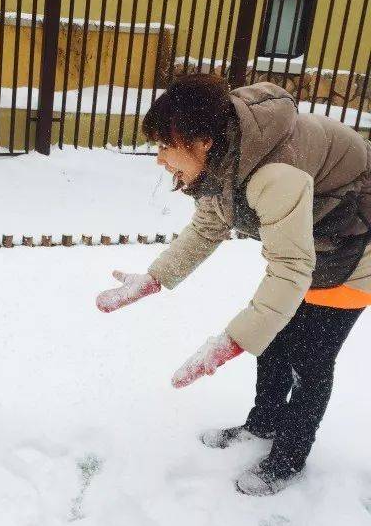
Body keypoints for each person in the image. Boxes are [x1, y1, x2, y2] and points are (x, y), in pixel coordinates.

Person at [97, 74, 371, 496]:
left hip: (357, 243)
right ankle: (262, 424)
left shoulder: (274, 172)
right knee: (277, 338)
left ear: (202, 140)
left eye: (166, 145)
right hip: (316, 236)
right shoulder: (228, 150)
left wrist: (233, 340)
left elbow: (291, 267)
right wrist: (155, 278)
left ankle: (288, 459)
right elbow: (210, 225)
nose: (159, 158)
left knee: (310, 356)